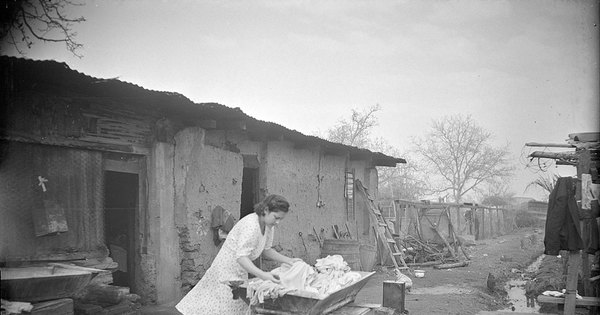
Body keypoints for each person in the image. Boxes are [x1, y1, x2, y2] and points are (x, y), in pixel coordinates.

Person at [176, 195, 303, 315]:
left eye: (281, 219)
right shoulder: (251, 225)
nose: (278, 222)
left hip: (240, 271)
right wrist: (263, 275)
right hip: (225, 271)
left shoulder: (269, 226)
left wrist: (289, 260)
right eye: (276, 217)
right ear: (265, 210)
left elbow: (267, 249)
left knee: (237, 306)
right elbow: (241, 257)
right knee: (220, 306)